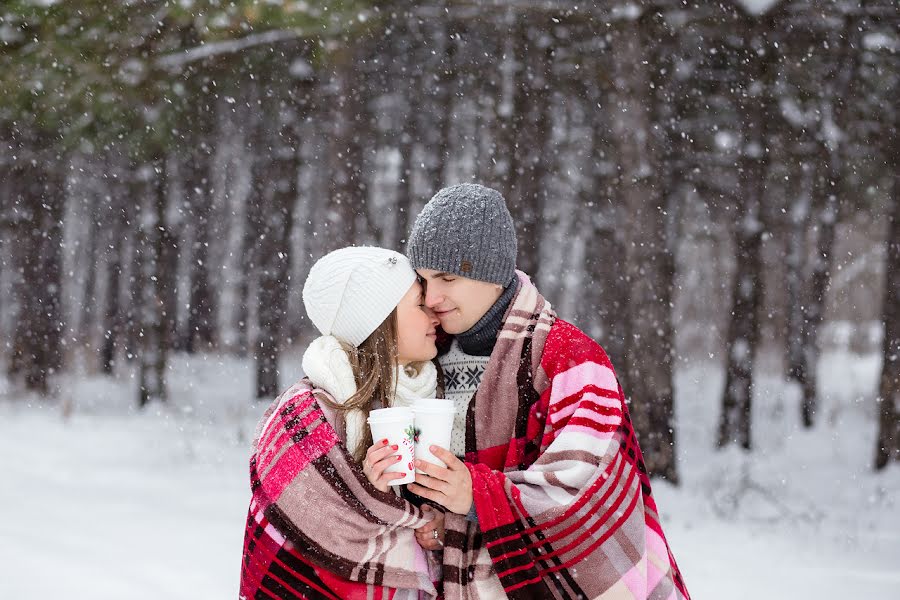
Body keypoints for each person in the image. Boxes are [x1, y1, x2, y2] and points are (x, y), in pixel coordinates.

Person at [404, 183, 691, 599]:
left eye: (447, 277)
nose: (432, 297)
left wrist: (478, 496)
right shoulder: (423, 357)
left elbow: (586, 498)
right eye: (424, 280)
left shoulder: (569, 359)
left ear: (493, 274)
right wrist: (423, 515)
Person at [239, 246, 447, 600]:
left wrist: (436, 527)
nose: (435, 314)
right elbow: (317, 527)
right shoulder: (309, 415)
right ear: (380, 320)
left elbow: (424, 520)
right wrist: (369, 498)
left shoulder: (431, 396)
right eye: (418, 303)